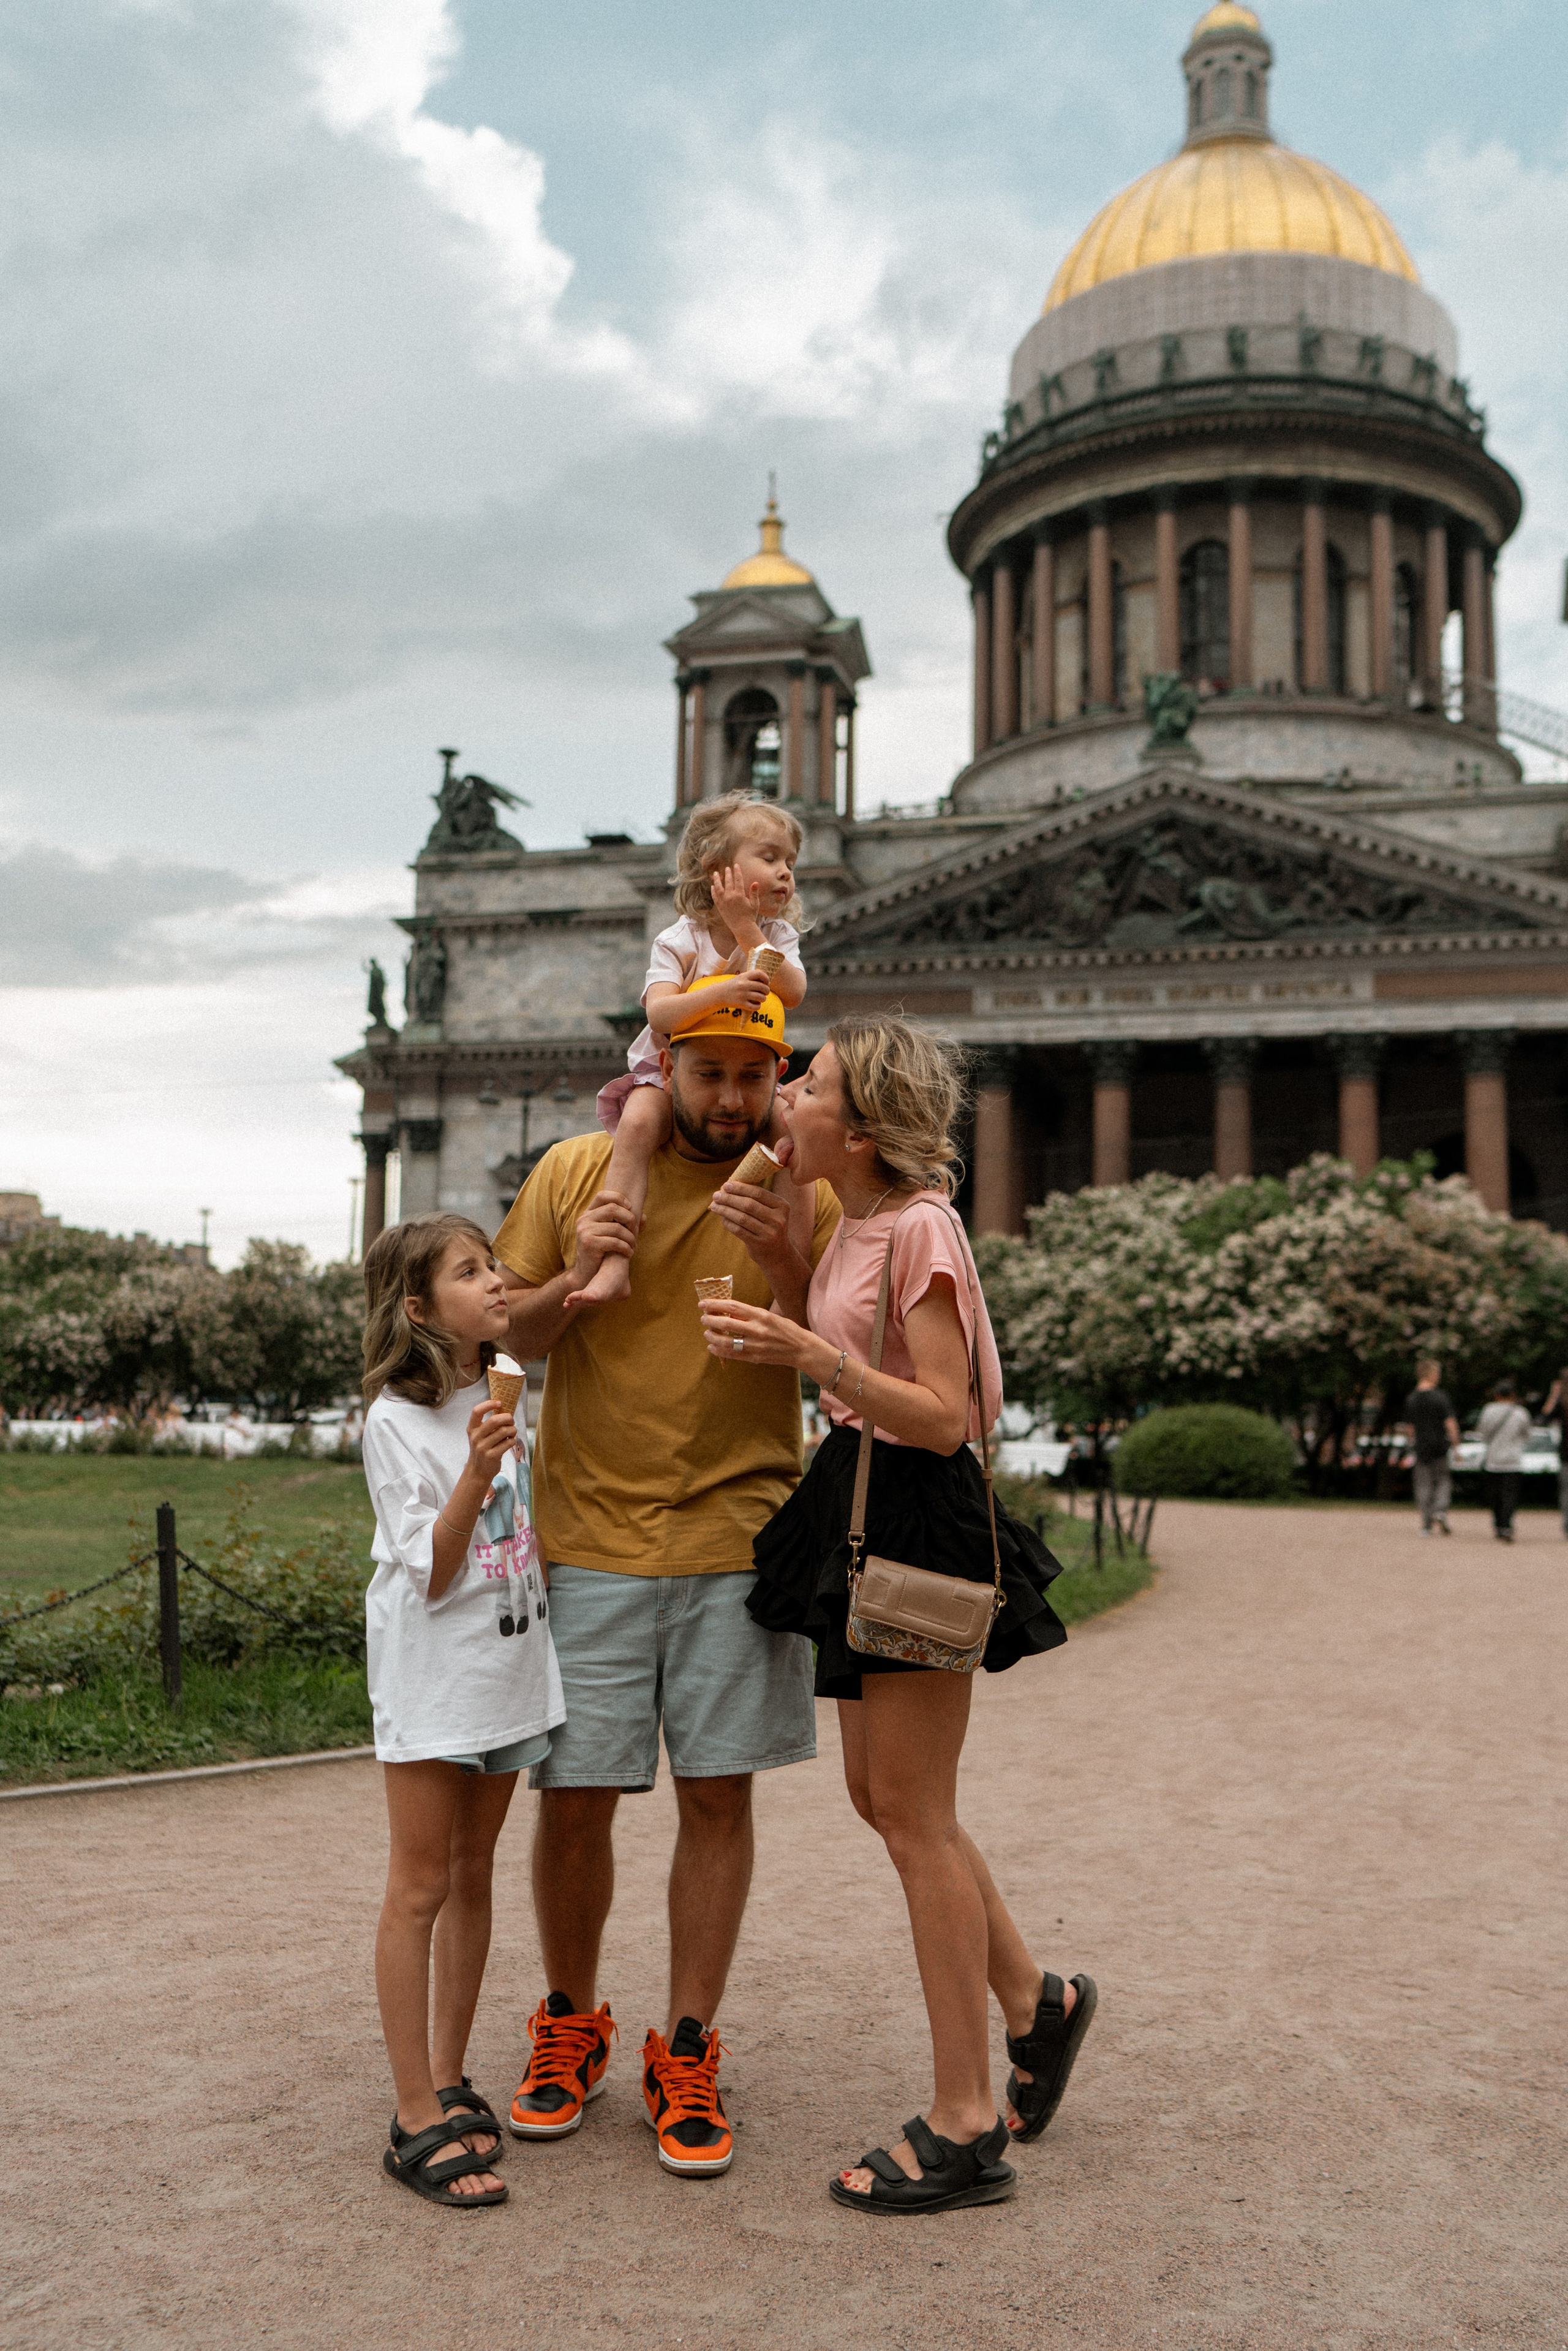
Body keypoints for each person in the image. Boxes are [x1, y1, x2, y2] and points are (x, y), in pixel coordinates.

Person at [698, 1014, 1096, 2216]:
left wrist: (808, 1354)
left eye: (809, 1084)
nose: (785, 1095)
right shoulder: (852, 1214)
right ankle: (1035, 2002)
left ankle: (966, 2119)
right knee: (884, 1800)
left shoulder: (921, 1223)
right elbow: (837, 1341)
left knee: (916, 1817)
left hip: (913, 1506)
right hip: (861, 1492)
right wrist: (781, 1267)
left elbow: (949, 1413)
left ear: (861, 1127)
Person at [492, 985, 840, 2178]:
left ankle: (687, 2045)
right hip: (590, 1532)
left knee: (717, 1798)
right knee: (573, 1797)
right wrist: (579, 1272)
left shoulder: (802, 1186)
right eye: (710, 1074)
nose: (732, 1099)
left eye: (754, 1076)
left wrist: (786, 1254)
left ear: (775, 1075)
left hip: (739, 1533)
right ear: (664, 1069)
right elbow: (510, 1338)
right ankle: (568, 2020)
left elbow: (844, 1354)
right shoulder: (578, 1170)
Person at [360, 1215, 565, 2209]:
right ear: (418, 1306)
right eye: (469, 1271)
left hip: (507, 1670)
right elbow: (434, 1570)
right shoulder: (395, 1423)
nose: (496, 1282)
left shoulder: (505, 1386)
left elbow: (520, 1534)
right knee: (419, 1885)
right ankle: (412, 2116)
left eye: (494, 1267)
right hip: (433, 1678)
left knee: (474, 1870)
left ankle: (446, 2075)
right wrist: (480, 1467)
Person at [571, 792, 810, 1308]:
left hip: (749, 1068)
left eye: (791, 863)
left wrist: (745, 927)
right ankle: (614, 1263)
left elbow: (793, 991)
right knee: (638, 1125)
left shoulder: (776, 936)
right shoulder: (680, 939)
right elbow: (661, 1016)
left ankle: (794, 1277)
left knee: (793, 1137)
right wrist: (723, 992)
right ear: (716, 869)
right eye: (770, 858)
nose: (785, 873)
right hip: (667, 1076)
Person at [1401, 1359, 1458, 1536]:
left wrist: (1413, 1443)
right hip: (1440, 1445)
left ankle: (1426, 1525)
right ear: (1432, 1374)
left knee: (1423, 1484)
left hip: (1421, 1446)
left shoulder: (1412, 1399)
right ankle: (1441, 1510)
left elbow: (1410, 1428)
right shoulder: (1440, 1397)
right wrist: (1456, 1445)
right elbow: (1450, 1423)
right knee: (1443, 1480)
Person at [1476, 1377, 1532, 1542]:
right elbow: (1527, 1436)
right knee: (1510, 1495)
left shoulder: (1488, 1410)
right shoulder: (1521, 1413)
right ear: (1513, 1394)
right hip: (1513, 1460)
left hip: (1493, 1460)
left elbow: (1482, 1434)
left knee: (1495, 1495)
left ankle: (1499, 1524)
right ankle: (1507, 1525)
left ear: (1496, 1394)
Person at [1539, 1367, 1568, 1538]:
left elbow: (1543, 1419)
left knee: (1566, 1493)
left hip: (1566, 1454)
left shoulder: (1561, 1404)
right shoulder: (1563, 1405)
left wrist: (1553, 1396)